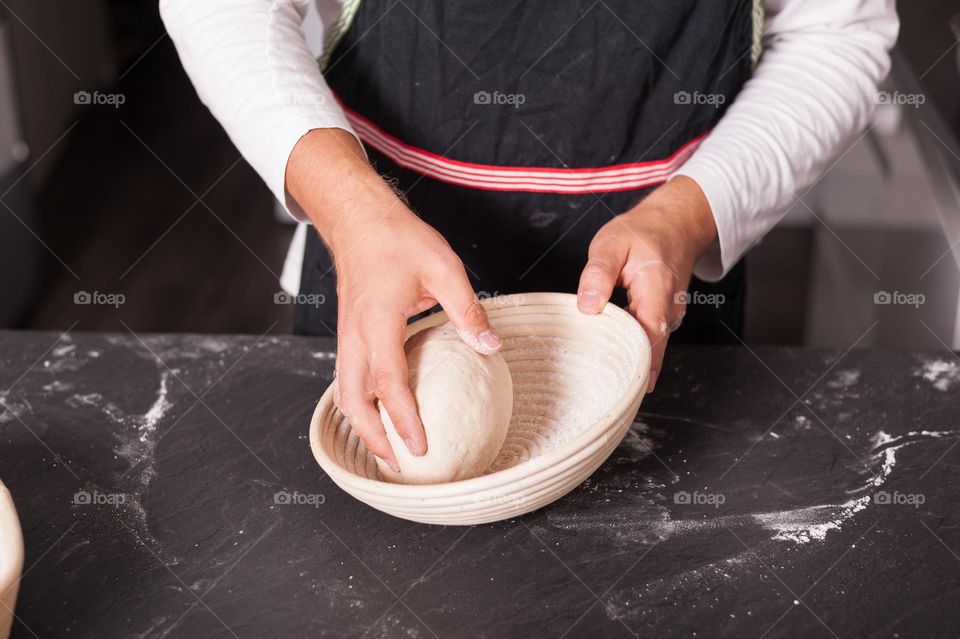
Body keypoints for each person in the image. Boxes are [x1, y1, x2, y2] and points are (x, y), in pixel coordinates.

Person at [161, 0, 898, 471]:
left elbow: (839, 34)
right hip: (378, 301)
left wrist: (687, 214)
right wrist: (352, 211)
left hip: (654, 321)